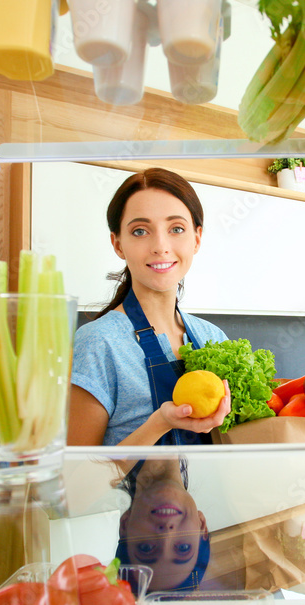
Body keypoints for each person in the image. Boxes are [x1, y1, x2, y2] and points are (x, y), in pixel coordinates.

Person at [68, 168, 231, 447]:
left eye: (176, 229)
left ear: (196, 238)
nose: (160, 246)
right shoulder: (98, 343)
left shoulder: (213, 338)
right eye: (140, 231)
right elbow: (77, 481)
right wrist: (161, 423)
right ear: (118, 244)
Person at [113, 456, 210, 592]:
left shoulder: (104, 451)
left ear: (125, 524)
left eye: (146, 548)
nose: (166, 533)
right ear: (201, 525)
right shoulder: (209, 442)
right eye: (183, 547)